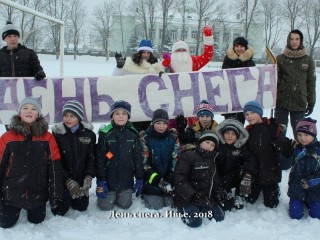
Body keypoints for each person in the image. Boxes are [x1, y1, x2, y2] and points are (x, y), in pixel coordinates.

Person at [0, 97, 63, 228]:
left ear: (38, 115)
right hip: (12, 193)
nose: (29, 111)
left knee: (37, 220)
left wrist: (55, 194)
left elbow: (54, 168)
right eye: (25, 108)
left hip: (37, 193)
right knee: (5, 223)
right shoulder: (7, 137)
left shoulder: (47, 137)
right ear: (19, 113)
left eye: (34, 109)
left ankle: (35, 206)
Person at [173, 130, 234, 228]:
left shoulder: (212, 160)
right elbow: (179, 178)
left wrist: (220, 193)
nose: (209, 146)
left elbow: (215, 181)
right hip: (188, 198)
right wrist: (191, 194)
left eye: (212, 145)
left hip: (205, 198)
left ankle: (201, 208)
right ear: (200, 142)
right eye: (207, 142)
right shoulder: (188, 155)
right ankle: (186, 209)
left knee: (220, 217)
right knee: (195, 222)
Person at [243, 101, 295, 208]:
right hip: (255, 174)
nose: (249, 116)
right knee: (249, 200)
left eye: (252, 112)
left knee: (271, 204)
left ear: (260, 113)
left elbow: (282, 145)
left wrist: (288, 148)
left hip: (271, 174)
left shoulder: (271, 127)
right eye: (247, 114)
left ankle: (274, 189)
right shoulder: (247, 132)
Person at [50, 100, 96, 216]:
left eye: (72, 116)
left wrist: (88, 177)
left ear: (79, 117)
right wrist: (67, 181)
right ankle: (58, 195)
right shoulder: (57, 134)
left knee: (81, 207)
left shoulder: (89, 134)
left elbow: (91, 158)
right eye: (65, 115)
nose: (68, 119)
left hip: (80, 178)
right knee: (59, 211)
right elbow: (56, 162)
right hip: (63, 180)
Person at [95, 100, 143, 211]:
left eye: (124, 114)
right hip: (108, 179)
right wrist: (101, 180)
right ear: (112, 116)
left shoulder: (133, 134)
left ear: (128, 116)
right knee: (105, 207)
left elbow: (137, 158)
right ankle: (110, 193)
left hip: (126, 180)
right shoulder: (105, 133)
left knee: (125, 205)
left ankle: (123, 192)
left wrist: (139, 178)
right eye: (117, 113)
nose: (120, 116)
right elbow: (100, 158)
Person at [112, 39, 164, 132]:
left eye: (148, 52)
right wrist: (119, 67)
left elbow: (163, 85)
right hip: (133, 102)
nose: (146, 55)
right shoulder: (129, 63)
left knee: (146, 131)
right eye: (143, 52)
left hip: (149, 104)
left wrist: (162, 75)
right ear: (139, 52)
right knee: (133, 130)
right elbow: (115, 78)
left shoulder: (155, 65)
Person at [275, 29, 316, 139]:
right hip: (281, 102)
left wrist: (311, 102)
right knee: (279, 133)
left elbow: (311, 82)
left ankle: (298, 155)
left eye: (297, 39)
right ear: (288, 40)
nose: (294, 41)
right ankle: (280, 155)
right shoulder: (280, 59)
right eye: (292, 39)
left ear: (301, 41)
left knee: (299, 133)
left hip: (299, 102)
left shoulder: (308, 60)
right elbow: (274, 80)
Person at [141, 109, 179, 210]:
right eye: (158, 123)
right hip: (152, 180)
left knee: (170, 205)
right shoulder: (145, 139)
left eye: (164, 123)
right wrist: (157, 180)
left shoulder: (173, 138)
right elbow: (144, 164)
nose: (161, 126)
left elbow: (176, 159)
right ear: (153, 123)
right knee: (157, 207)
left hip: (168, 180)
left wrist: (170, 177)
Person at [215, 119, 256, 210]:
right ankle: (226, 193)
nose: (230, 136)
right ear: (222, 134)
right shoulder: (218, 146)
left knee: (244, 174)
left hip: (236, 175)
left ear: (237, 137)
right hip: (221, 176)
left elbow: (250, 159)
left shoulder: (241, 147)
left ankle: (240, 194)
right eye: (227, 133)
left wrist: (248, 173)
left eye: (233, 134)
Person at [287, 117, 320, 220]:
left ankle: (310, 201)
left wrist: (311, 181)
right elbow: (284, 161)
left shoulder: (318, 150)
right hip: (297, 187)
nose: (302, 138)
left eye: (306, 135)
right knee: (295, 215)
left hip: (315, 188)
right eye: (299, 134)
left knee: (316, 215)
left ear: (314, 135)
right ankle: (300, 201)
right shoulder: (295, 148)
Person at [221, 36, 255, 124]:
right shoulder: (227, 60)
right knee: (228, 124)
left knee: (240, 123)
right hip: (229, 96)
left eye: (241, 46)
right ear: (233, 47)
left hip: (243, 97)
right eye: (237, 46)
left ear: (245, 47)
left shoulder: (251, 62)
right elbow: (223, 76)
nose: (239, 48)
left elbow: (252, 80)